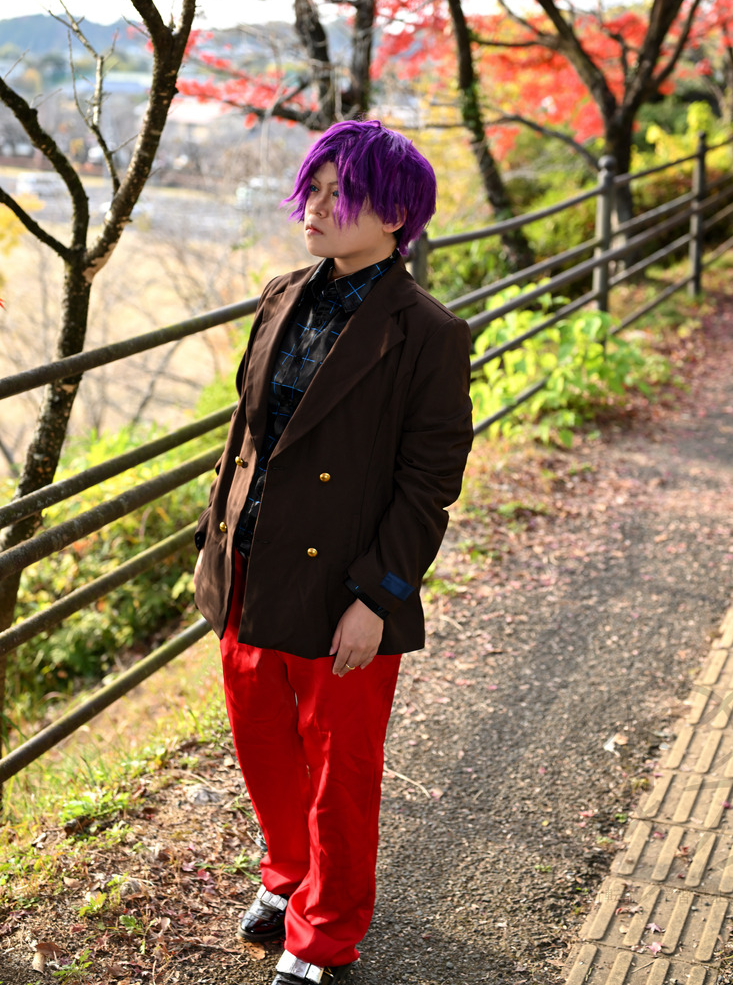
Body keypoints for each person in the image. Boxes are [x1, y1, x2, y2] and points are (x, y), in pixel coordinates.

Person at [192, 118, 473, 985]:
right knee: (262, 743)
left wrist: (377, 597)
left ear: (393, 216)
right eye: (310, 189)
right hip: (250, 567)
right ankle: (289, 878)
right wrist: (212, 542)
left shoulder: (427, 332)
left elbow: (429, 484)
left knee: (338, 770)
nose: (312, 206)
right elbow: (245, 433)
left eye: (336, 193)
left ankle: (325, 934)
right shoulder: (283, 292)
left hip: (343, 585)